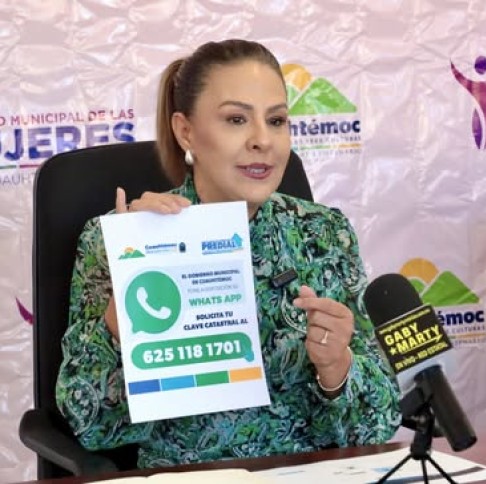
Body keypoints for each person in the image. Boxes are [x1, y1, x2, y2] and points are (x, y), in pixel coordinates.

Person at [56, 39, 401, 468]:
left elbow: (377, 426)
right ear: (185, 131)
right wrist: (130, 288)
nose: (262, 140)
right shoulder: (117, 240)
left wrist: (337, 369)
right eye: (236, 119)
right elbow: (91, 425)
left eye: (276, 120)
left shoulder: (324, 234)